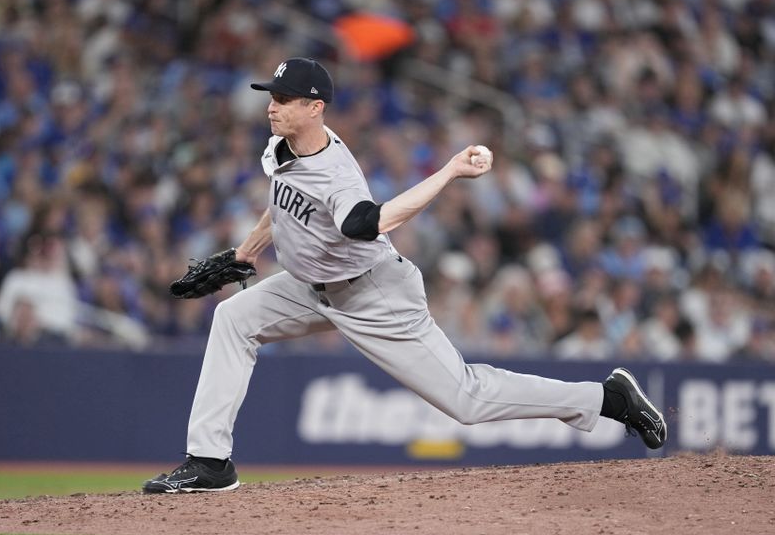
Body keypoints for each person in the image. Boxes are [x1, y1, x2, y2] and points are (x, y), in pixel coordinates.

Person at [142, 58, 667, 494]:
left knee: (466, 400)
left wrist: (450, 171)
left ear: (315, 108)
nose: (271, 105)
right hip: (308, 285)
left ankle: (606, 399)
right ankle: (210, 462)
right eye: (270, 95)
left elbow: (372, 221)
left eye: (283, 98)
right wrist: (244, 253)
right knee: (233, 318)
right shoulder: (281, 146)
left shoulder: (336, 173)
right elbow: (281, 204)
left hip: (371, 293)